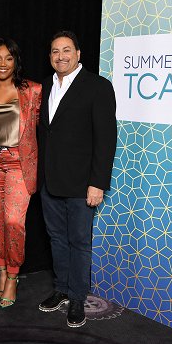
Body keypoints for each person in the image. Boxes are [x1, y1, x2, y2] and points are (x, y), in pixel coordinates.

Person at [37, 30, 117, 328]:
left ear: (78, 53)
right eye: (55, 51)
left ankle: (78, 297)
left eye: (67, 50)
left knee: (79, 241)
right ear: (50, 57)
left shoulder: (98, 87)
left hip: (82, 184)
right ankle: (61, 288)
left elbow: (106, 140)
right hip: (49, 181)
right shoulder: (44, 86)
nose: (61, 56)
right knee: (57, 239)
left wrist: (98, 183)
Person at [0, 38, 42, 308]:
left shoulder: (33, 91)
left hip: (18, 164)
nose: (3, 64)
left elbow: (37, 129)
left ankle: (14, 275)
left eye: (9, 58)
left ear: (16, 61)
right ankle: (1, 271)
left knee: (13, 221)